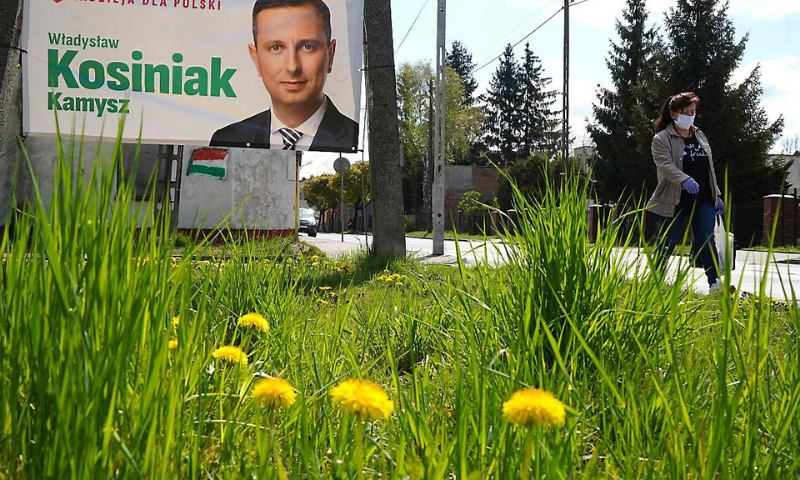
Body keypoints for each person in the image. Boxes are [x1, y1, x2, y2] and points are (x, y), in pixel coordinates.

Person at [210, 0, 359, 152]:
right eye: (276, 48)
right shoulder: (226, 139)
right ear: (256, 59)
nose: (292, 67)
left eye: (307, 47)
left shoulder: (361, 140)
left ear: (330, 55)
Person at [646, 92, 727, 293]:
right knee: (668, 240)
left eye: (693, 111)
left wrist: (716, 194)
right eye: (687, 112)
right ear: (674, 114)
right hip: (675, 198)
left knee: (706, 237)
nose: (691, 116)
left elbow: (708, 166)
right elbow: (664, 164)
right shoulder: (661, 138)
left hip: (704, 197)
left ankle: (715, 284)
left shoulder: (699, 134)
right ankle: (654, 282)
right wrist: (684, 179)